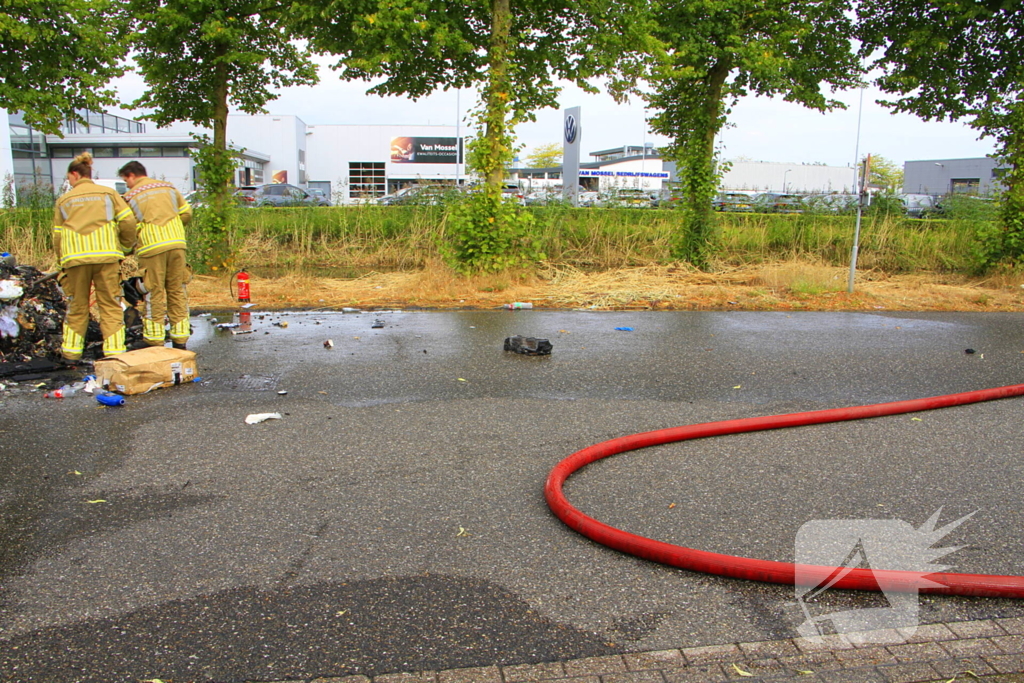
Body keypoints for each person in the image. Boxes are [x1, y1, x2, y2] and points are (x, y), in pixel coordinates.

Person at [53, 152, 137, 363]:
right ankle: (115, 352)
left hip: (75, 261)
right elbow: (128, 222)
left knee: (77, 305)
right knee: (110, 304)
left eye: (69, 178)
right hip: (107, 258)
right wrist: (126, 247)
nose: (69, 182)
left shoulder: (64, 200)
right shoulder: (108, 194)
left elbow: (57, 235)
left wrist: (62, 260)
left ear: (75, 174)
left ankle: (71, 354)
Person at [117, 161, 193, 349]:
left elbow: (127, 226)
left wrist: (128, 246)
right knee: (177, 290)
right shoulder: (169, 188)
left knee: (154, 292)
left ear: (131, 175)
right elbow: (187, 213)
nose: (127, 185)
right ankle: (180, 339)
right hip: (177, 244)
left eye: (126, 180)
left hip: (151, 247)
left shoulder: (129, 196)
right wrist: (172, 229)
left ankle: (154, 340)